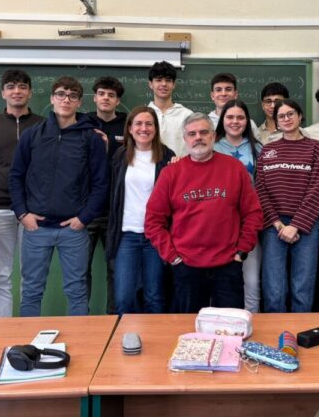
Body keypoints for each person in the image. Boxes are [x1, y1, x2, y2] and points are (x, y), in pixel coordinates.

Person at [9, 76, 109, 317]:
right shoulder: (32, 136)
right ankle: (28, 347)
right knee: (32, 290)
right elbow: (16, 177)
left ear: (79, 103)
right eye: (62, 94)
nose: (67, 99)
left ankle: (79, 342)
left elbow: (101, 182)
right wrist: (22, 214)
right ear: (52, 99)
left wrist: (83, 218)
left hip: (73, 230)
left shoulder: (91, 139)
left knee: (76, 290)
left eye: (73, 96)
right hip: (36, 228)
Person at [145, 112, 263, 313]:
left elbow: (253, 213)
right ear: (185, 139)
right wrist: (173, 257)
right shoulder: (171, 173)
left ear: (213, 136)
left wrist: (242, 251)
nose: (197, 137)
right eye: (192, 134)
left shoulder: (234, 168)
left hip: (228, 266)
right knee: (190, 331)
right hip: (186, 267)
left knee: (230, 330)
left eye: (203, 132)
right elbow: (153, 222)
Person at [0, 69, 43, 318]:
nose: (17, 91)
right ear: (3, 92)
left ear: (30, 92)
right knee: (0, 273)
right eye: (12, 86)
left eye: (23, 86)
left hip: (33, 210)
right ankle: (1, 327)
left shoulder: (42, 125)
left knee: (31, 273)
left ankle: (27, 325)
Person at [256, 99, 319, 313]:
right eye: (281, 116)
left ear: (299, 116)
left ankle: (300, 337)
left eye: (290, 114)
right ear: (276, 122)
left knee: (302, 287)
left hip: (305, 226)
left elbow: (317, 188)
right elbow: (260, 190)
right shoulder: (267, 150)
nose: (286, 119)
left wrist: (295, 225)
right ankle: (273, 339)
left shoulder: (315, 147)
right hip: (273, 226)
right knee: (274, 289)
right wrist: (279, 225)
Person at [106, 106, 175, 314]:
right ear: (129, 128)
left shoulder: (167, 156)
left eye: (149, 124)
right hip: (126, 234)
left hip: (156, 236)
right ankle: (126, 342)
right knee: (123, 298)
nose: (143, 128)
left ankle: (155, 344)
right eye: (138, 123)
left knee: (154, 295)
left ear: (155, 128)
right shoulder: (120, 156)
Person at [214, 99, 263, 312]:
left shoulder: (259, 148)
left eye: (240, 117)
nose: (235, 121)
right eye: (230, 117)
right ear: (222, 120)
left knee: (251, 282)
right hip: (219, 227)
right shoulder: (211, 146)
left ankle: (252, 327)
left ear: (247, 121)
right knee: (218, 284)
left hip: (249, 225)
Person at [86, 75, 127, 314]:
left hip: (117, 209)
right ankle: (83, 317)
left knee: (115, 268)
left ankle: (114, 318)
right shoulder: (83, 122)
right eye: (102, 94)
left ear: (118, 100)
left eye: (111, 95)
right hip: (88, 209)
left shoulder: (128, 125)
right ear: (95, 97)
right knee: (81, 270)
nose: (106, 98)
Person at [147, 61, 193, 157]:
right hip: (150, 169)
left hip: (180, 169)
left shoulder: (187, 115)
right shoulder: (143, 115)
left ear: (174, 84)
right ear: (150, 84)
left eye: (168, 80)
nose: (164, 84)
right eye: (159, 80)